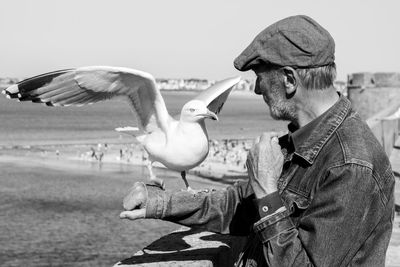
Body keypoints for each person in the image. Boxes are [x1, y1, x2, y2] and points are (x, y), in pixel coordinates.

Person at [120, 15, 395, 266]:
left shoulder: (352, 166)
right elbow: (234, 206)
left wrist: (266, 190)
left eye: (259, 78)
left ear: (289, 79)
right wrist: (158, 202)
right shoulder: (305, 140)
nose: (255, 89)